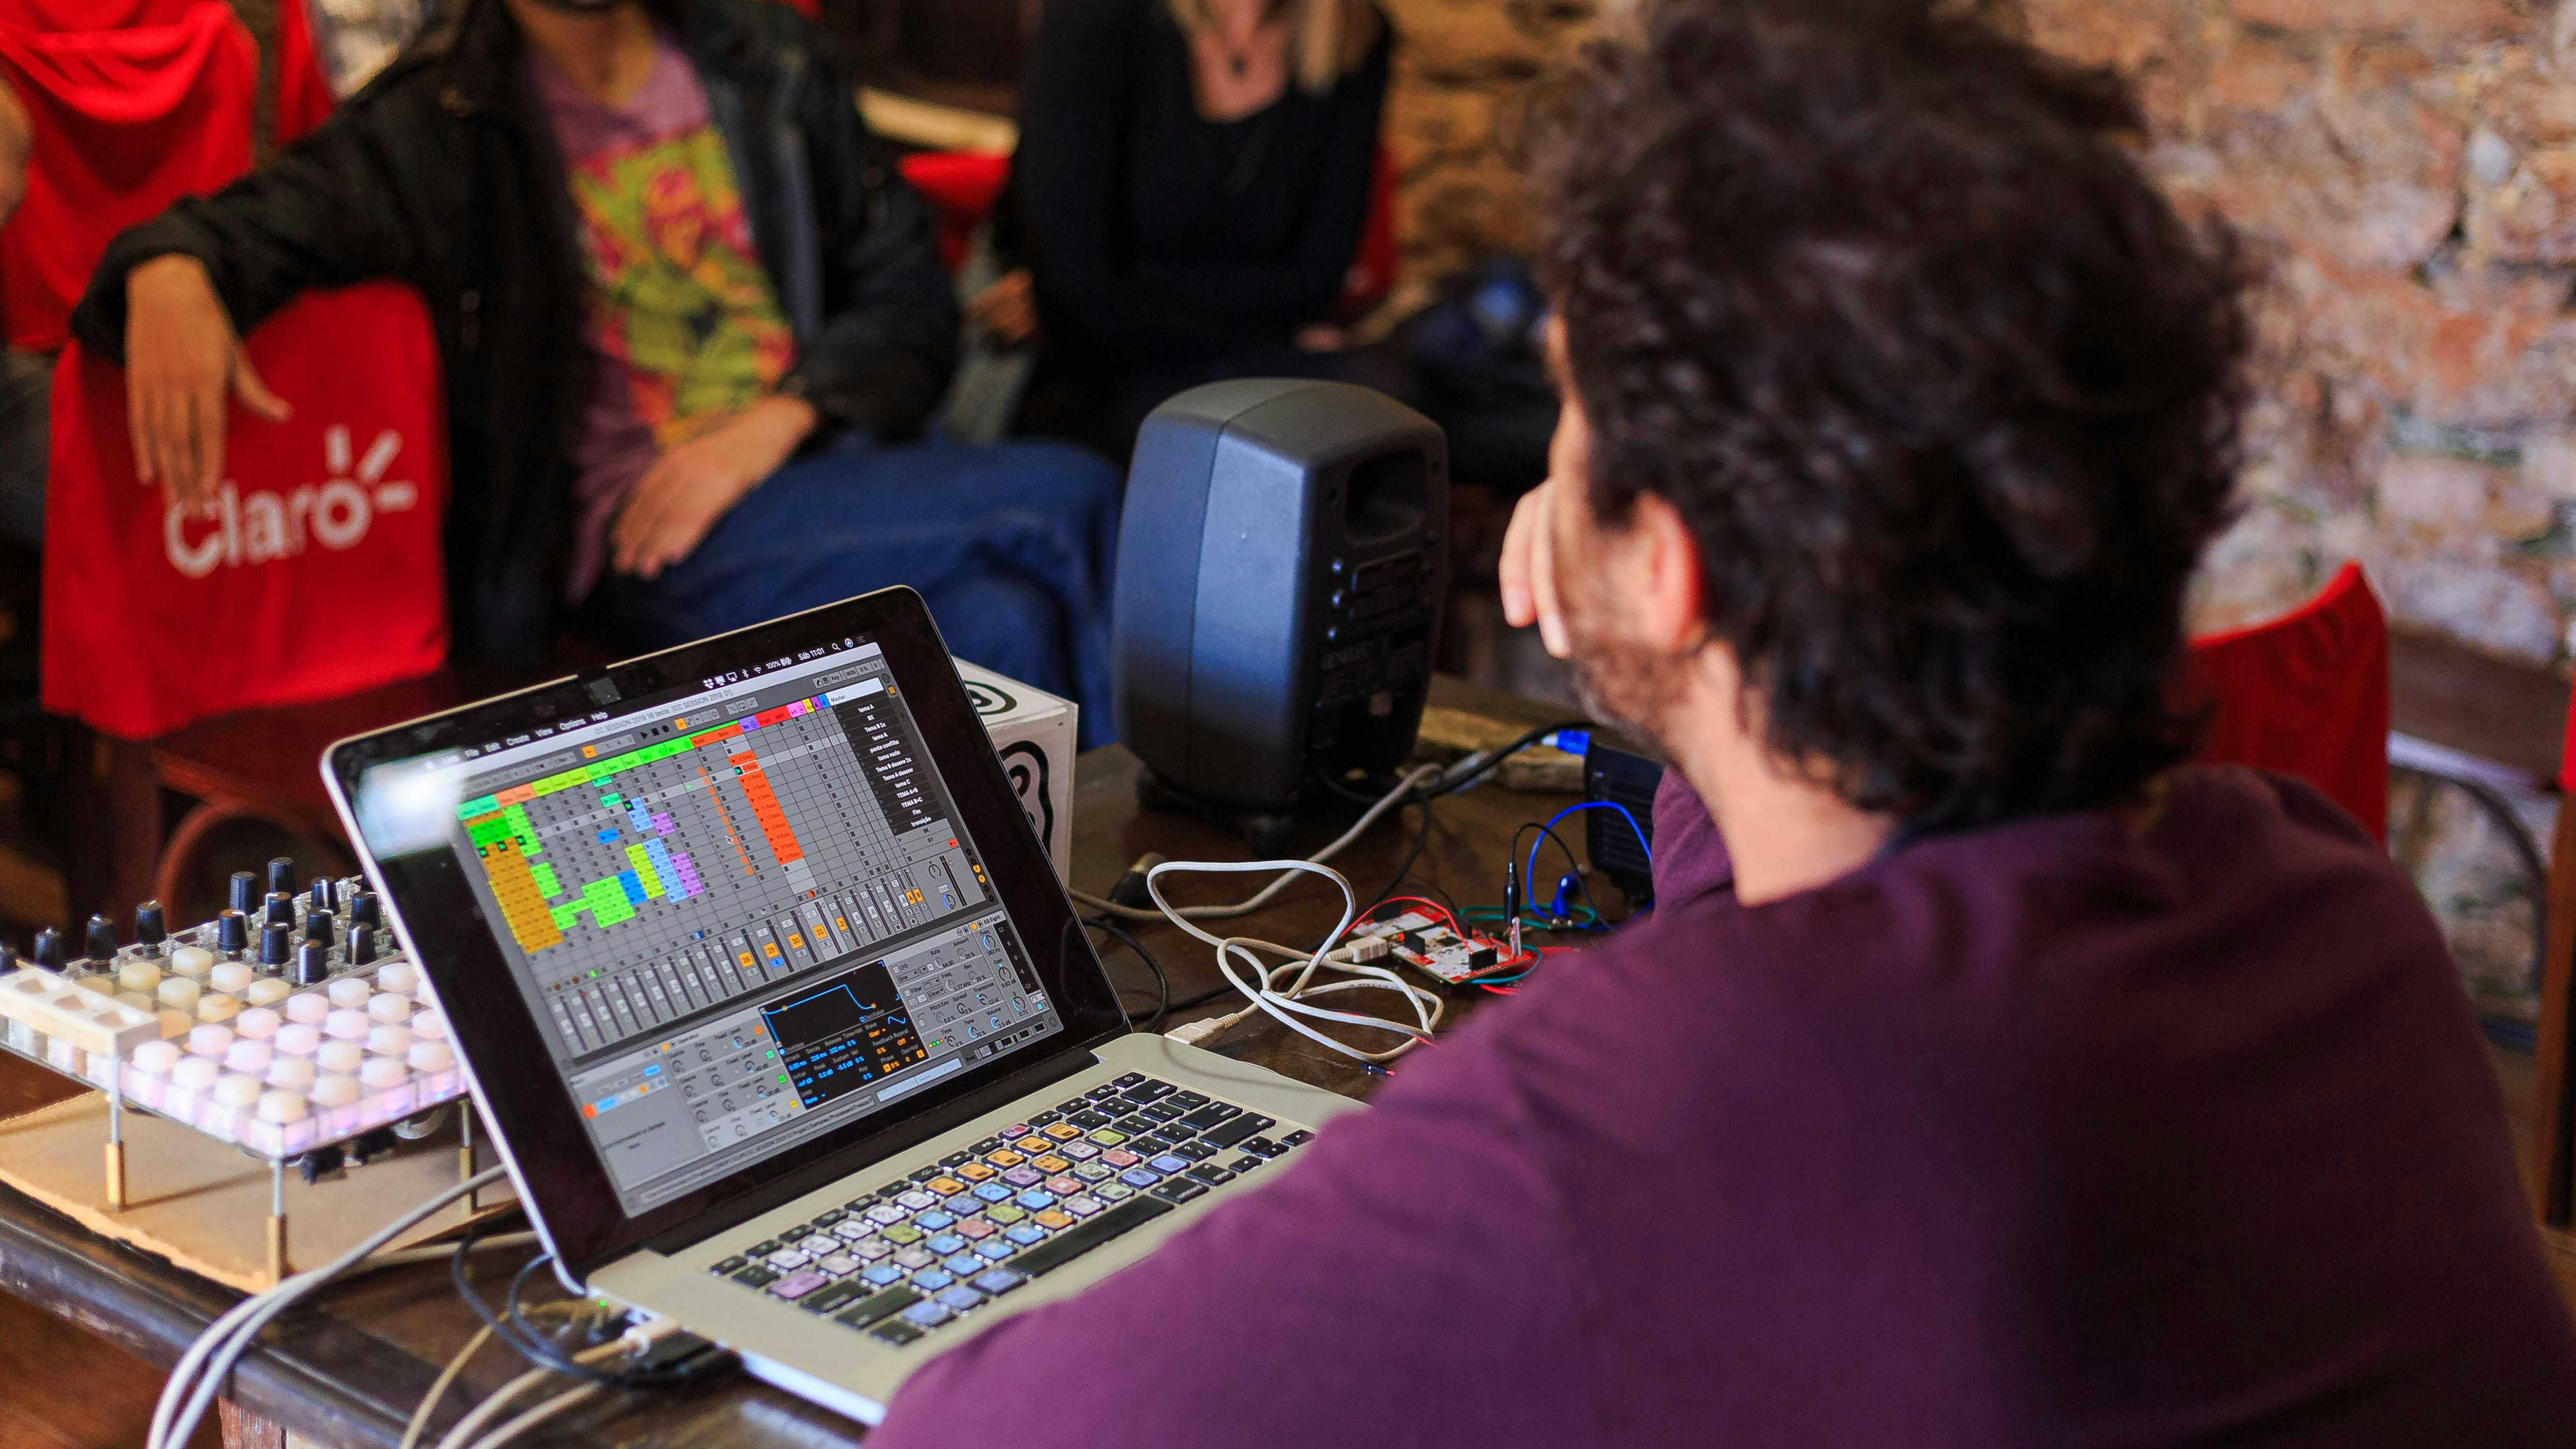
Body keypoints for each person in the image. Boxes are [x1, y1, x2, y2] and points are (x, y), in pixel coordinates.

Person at [865, 0, 2576, 1443]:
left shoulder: (1603, 1135)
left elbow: (980, 1426)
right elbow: (1804, 910)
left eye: (1576, 425)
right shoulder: (2334, 910)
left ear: (1672, 568)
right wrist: (1688, 658)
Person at [73, 0, 1122, 739]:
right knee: (1069, 495)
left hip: (829, 460)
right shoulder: (444, 120)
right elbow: (247, 227)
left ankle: (1060, 955)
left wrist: (782, 417)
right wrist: (166, 266)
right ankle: (1173, 872)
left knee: (1003, 624)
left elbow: (910, 305)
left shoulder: (764, 61)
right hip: (650, 531)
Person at [978, 0, 1398, 459]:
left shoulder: (1354, 31)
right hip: (1090, 371)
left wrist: (1133, 287)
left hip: (1255, 366)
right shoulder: (1096, 16)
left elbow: (1316, 280)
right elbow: (1076, 291)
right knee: (1205, 454)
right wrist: (1266, 334)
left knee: (1389, 407)